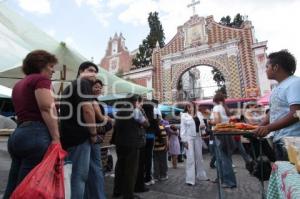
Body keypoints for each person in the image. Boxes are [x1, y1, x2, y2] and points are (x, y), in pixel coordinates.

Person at [3, 50, 60, 198]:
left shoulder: (18, 84)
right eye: (51, 65)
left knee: (13, 183)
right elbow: (46, 108)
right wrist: (56, 138)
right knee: (27, 188)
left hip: (18, 134)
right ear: (41, 64)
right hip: (36, 135)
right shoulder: (41, 80)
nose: (53, 70)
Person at [60, 61, 105, 199]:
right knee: (78, 178)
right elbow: (87, 110)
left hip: (73, 138)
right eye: (91, 70)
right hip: (78, 138)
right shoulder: (82, 83)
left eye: (95, 72)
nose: (93, 74)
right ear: (81, 71)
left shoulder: (73, 85)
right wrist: (93, 134)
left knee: (77, 176)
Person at [255, 50, 300, 161]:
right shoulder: (277, 88)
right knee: (283, 176)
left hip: (293, 141)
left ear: (275, 67)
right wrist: (259, 126)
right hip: (280, 140)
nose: (265, 70)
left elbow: (296, 113)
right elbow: (274, 111)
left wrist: (268, 128)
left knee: (292, 177)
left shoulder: (294, 83)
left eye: (267, 67)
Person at [113, 94, 149, 199]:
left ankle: (117, 191)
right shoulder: (135, 111)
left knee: (120, 168)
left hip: (120, 143)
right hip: (132, 144)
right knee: (131, 170)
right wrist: (142, 111)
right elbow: (146, 124)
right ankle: (128, 194)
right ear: (136, 102)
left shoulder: (119, 111)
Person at [211, 93, 237, 188]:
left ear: (215, 100)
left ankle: (229, 181)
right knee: (223, 158)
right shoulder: (224, 108)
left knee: (224, 159)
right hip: (227, 134)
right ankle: (221, 178)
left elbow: (217, 121)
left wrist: (210, 122)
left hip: (220, 135)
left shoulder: (216, 108)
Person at [180, 103, 209, 186]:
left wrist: (203, 128)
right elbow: (183, 128)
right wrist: (183, 140)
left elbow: (203, 124)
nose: (191, 108)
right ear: (187, 108)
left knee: (199, 157)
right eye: (189, 107)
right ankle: (190, 179)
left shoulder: (199, 114)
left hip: (198, 137)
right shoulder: (184, 115)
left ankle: (201, 175)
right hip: (189, 138)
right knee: (190, 158)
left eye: (192, 106)